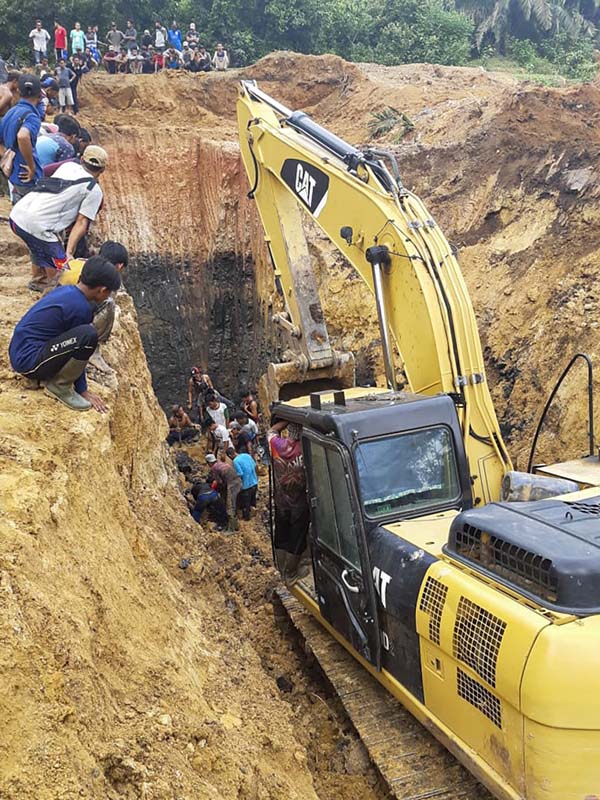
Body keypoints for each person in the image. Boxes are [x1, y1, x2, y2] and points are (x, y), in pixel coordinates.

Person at [8, 256, 120, 412]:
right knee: (88, 335)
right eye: (109, 293)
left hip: (21, 352)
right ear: (102, 289)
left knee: (83, 334)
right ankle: (59, 386)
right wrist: (82, 390)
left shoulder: (67, 291)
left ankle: (43, 376)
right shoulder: (80, 308)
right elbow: (80, 346)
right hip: (29, 361)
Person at [9, 144, 108, 291]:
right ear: (102, 170)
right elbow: (81, 223)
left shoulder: (67, 166)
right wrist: (68, 252)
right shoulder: (93, 190)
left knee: (38, 245)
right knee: (63, 271)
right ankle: (54, 290)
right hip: (38, 224)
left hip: (16, 216)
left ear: (81, 159)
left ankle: (39, 281)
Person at [268, 420, 310, 585]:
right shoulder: (306, 449)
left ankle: (281, 567)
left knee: (282, 532)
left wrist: (286, 419)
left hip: (281, 501)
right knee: (297, 536)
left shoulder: (277, 445)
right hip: (299, 501)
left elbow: (271, 430)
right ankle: (291, 573)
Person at [0, 73, 42, 204]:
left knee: (18, 211)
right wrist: (31, 166)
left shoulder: (9, 113)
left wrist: (6, 157)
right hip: (28, 177)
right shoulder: (32, 116)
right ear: (39, 94)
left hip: (14, 175)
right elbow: (23, 136)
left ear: (19, 91)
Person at [206, 453, 242, 532]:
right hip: (238, 482)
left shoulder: (214, 468)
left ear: (209, 463)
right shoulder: (221, 463)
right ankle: (235, 525)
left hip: (232, 485)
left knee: (230, 506)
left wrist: (216, 490)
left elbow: (220, 482)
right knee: (234, 505)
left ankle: (231, 529)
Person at [233, 451, 258, 520]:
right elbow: (255, 466)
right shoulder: (247, 455)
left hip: (246, 485)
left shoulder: (235, 461)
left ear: (230, 455)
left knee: (246, 504)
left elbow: (240, 474)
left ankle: (247, 519)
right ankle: (255, 516)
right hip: (254, 482)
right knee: (253, 501)